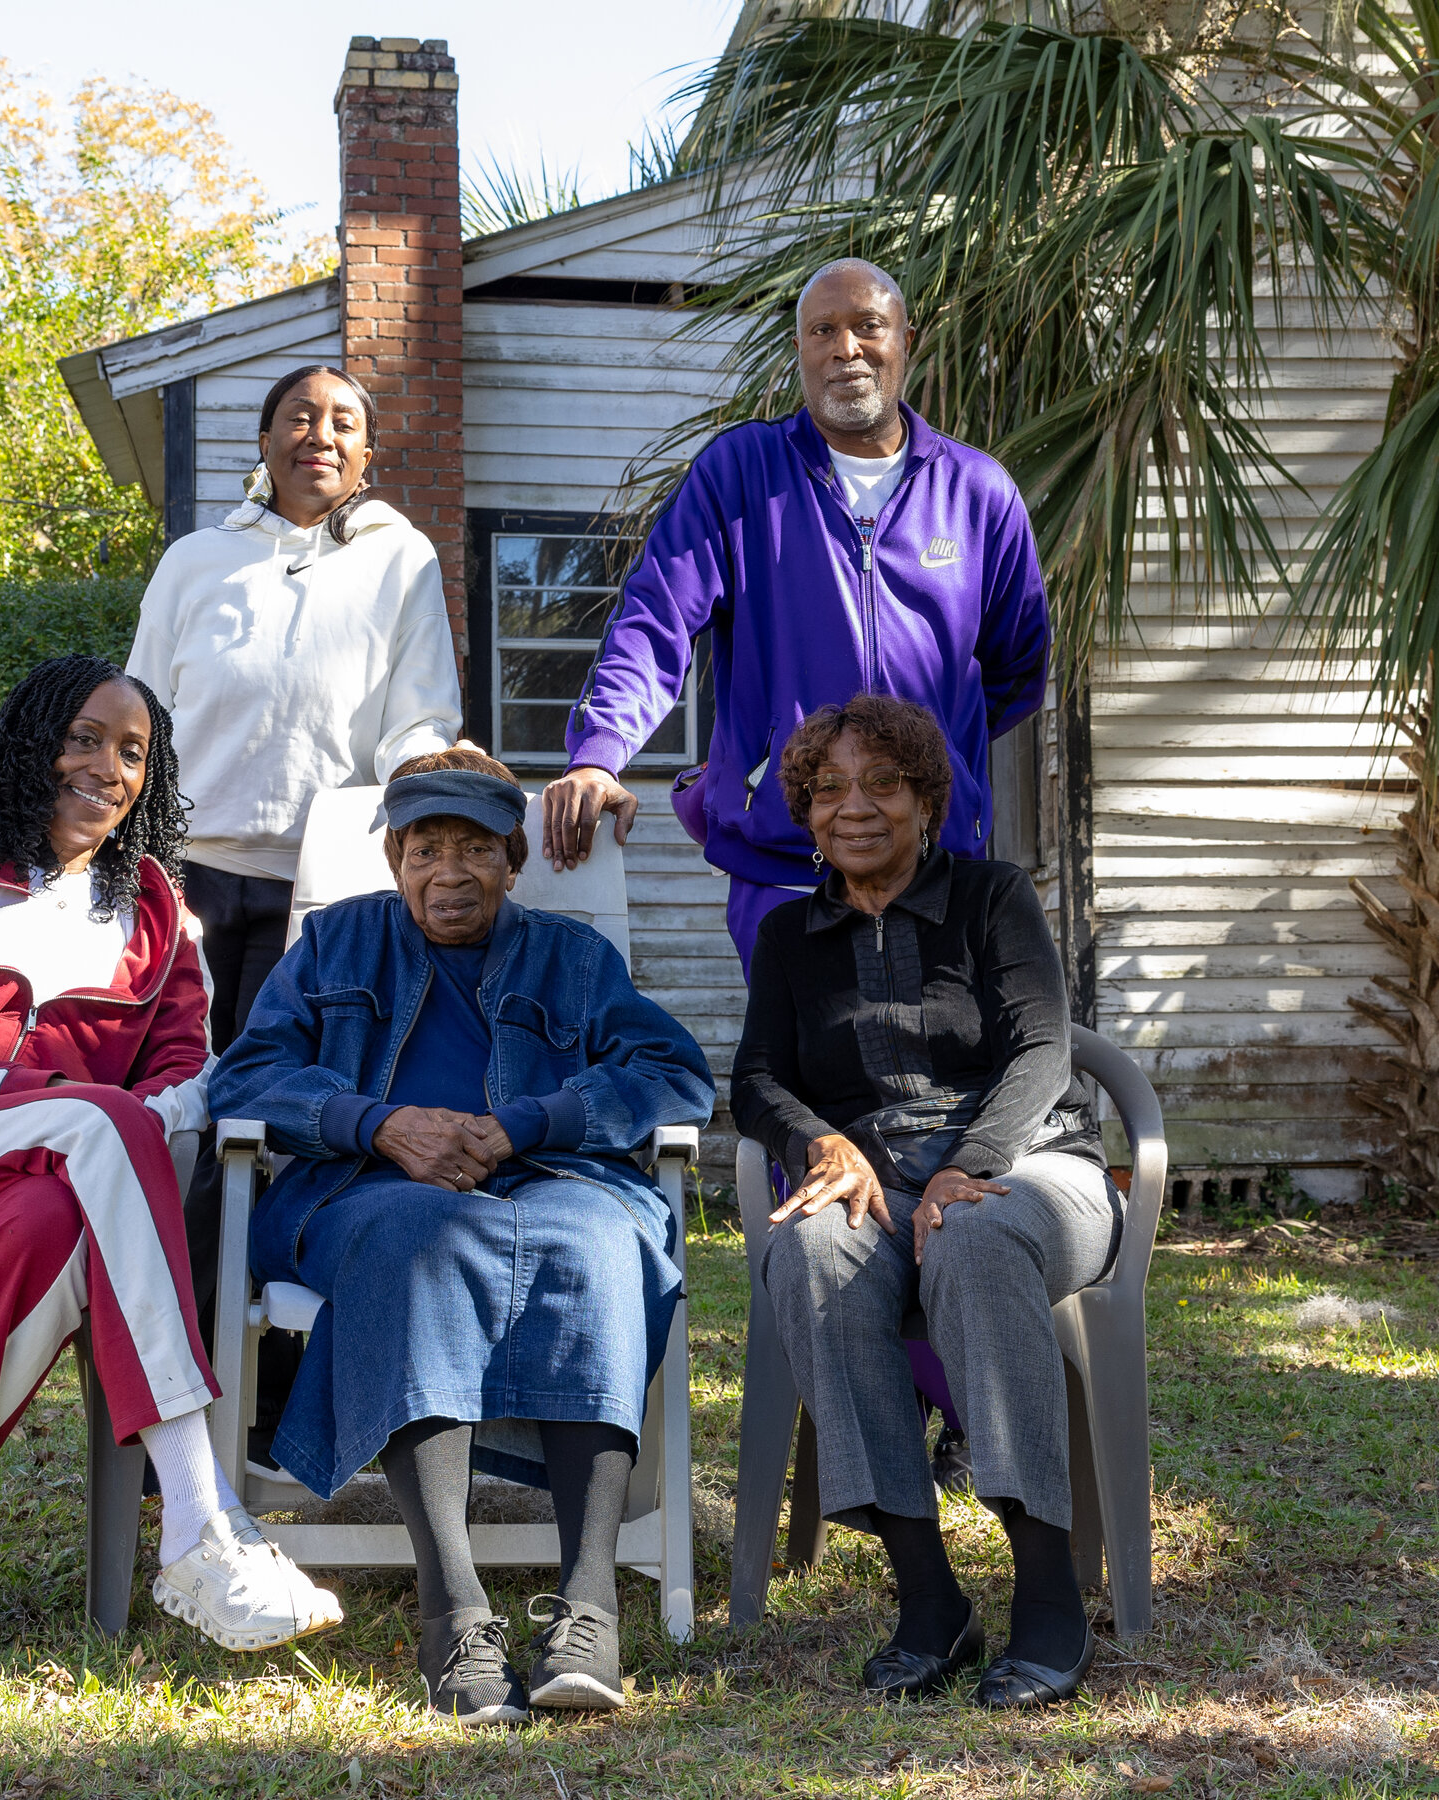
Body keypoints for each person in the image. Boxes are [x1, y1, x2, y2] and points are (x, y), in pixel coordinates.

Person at [540, 258, 1049, 1484]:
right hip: (787, 865)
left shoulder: (977, 493)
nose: (845, 350)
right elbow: (656, 621)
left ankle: (944, 1378)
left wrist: (933, 775)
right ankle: (891, 1385)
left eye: (867, 327)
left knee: (946, 1101)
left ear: (906, 341)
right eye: (822, 330)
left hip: (940, 869)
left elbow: (1015, 665)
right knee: (829, 1109)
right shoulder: (741, 478)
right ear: (800, 349)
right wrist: (601, 751)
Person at [0, 656, 341, 1674]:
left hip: (32, 1196)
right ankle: (202, 1521)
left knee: (51, 1223)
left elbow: (187, 1075)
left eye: (133, 753)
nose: (107, 769)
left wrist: (92, 1129)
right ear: (31, 740)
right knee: (97, 1123)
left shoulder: (158, 908)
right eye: (84, 738)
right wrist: (35, 1099)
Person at [209, 747, 714, 1726]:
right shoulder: (334, 945)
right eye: (426, 850)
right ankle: (453, 1609)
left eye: (477, 849)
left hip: (554, 1180)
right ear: (396, 861)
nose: (451, 874)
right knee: (419, 1245)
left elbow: (674, 1075)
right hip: (369, 1187)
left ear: (513, 863)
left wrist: (530, 1123)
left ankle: (589, 1603)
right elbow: (245, 1078)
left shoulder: (574, 959)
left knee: (601, 1250)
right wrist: (378, 1123)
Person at [731, 695, 1122, 1710]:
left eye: (882, 784)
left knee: (974, 1237)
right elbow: (756, 1080)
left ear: (927, 800)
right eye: (828, 789)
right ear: (806, 813)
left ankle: (1048, 1594)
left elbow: (1042, 1049)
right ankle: (929, 1598)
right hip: (880, 1179)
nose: (854, 807)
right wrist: (819, 1143)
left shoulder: (992, 897)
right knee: (811, 1252)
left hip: (1032, 1164)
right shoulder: (789, 934)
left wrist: (972, 1160)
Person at [126, 363, 462, 1442]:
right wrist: (140, 871)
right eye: (300, 417)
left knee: (293, 1125)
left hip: (324, 893)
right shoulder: (197, 560)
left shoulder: (399, 558)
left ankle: (275, 1393)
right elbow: (141, 715)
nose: (321, 433)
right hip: (186, 883)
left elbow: (417, 720)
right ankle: (168, 1386)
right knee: (180, 1121)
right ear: (266, 440)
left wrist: (438, 773)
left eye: (344, 421)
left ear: (366, 452)